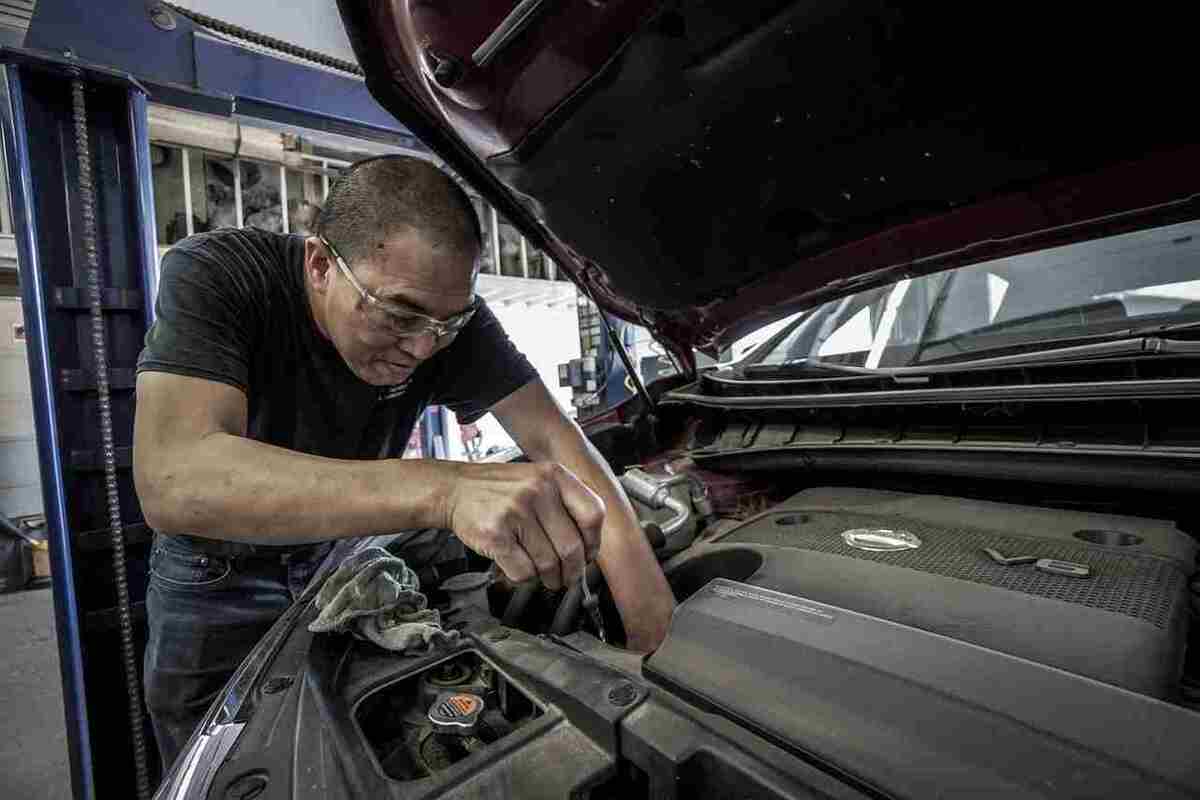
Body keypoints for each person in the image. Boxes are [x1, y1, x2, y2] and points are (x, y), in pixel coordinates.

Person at [133, 155, 675, 772]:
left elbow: (558, 442)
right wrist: (445, 491)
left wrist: (652, 625)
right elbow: (173, 478)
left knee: (351, 754)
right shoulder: (222, 275)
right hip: (216, 578)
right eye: (399, 316)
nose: (423, 347)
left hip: (343, 558)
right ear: (318, 265)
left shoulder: (444, 321)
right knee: (220, 766)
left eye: (448, 323)